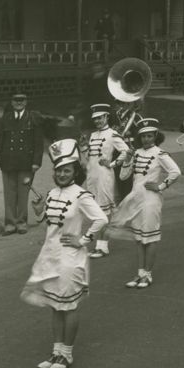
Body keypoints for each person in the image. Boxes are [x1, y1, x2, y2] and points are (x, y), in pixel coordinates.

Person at [21, 139, 109, 368]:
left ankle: (67, 354)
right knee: (55, 306)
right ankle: (56, 351)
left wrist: (83, 240)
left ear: (75, 172)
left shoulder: (81, 195)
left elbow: (102, 219)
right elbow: (50, 223)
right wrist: (39, 210)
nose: (61, 174)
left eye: (66, 170)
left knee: (68, 307)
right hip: (50, 256)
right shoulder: (51, 193)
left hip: (71, 259)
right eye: (58, 170)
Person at [109, 118, 181, 289]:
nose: (146, 139)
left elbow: (176, 172)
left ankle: (148, 274)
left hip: (150, 200)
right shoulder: (137, 153)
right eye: (143, 136)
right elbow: (123, 177)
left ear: (155, 136)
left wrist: (161, 186)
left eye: (149, 136)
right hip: (136, 199)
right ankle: (140, 273)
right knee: (139, 239)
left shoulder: (159, 153)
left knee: (150, 238)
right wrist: (127, 158)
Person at [82, 103, 129, 258]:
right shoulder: (93, 135)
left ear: (106, 117)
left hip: (104, 176)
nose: (97, 121)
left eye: (100, 118)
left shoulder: (113, 134)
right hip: (92, 176)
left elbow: (126, 151)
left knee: (104, 212)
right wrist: (83, 148)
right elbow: (90, 157)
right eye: (95, 119)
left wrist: (113, 164)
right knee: (96, 211)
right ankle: (98, 246)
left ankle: (103, 247)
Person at [0, 91, 45, 236]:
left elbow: (38, 143)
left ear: (26, 102)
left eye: (22, 100)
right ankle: (10, 224)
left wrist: (36, 162)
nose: (19, 102)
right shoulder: (6, 118)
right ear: (11, 102)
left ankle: (21, 223)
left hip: (26, 163)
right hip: (8, 162)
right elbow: (0, 141)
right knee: (9, 194)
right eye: (16, 100)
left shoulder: (33, 118)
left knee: (23, 194)